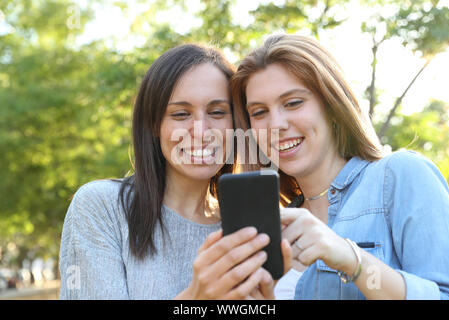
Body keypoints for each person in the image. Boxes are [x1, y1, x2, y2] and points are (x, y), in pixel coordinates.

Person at [59, 43, 291, 299]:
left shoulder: (247, 227)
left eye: (217, 112)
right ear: (154, 125)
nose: (201, 132)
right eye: (181, 114)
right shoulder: (100, 206)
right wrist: (195, 299)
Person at [231, 34, 449, 299]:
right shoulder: (272, 227)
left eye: (293, 103)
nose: (275, 124)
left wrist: (352, 260)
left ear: (332, 107)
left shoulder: (400, 176)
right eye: (259, 112)